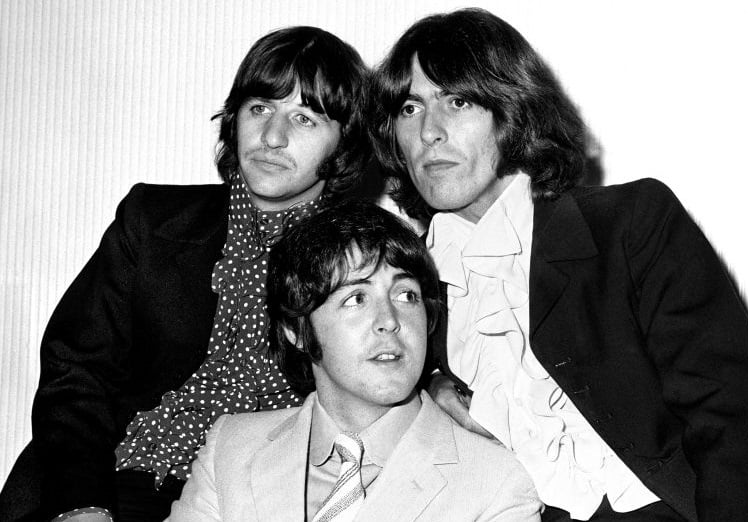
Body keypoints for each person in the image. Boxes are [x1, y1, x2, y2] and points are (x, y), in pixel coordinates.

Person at [368, 8, 748, 522]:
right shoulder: (401, 281)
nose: (429, 132)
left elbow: (735, 417)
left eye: (456, 101)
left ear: (511, 108)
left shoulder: (630, 223)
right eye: (409, 108)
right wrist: (430, 391)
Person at [0, 26, 369, 522]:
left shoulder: (364, 258)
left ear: (343, 144)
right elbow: (76, 371)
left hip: (255, 497)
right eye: (260, 108)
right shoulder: (152, 221)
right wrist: (82, 506)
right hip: (112, 478)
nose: (272, 137)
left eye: (304, 118)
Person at [166, 199, 543, 521]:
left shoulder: (497, 483)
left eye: (406, 295)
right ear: (296, 329)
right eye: (356, 298)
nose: (390, 321)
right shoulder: (231, 448)